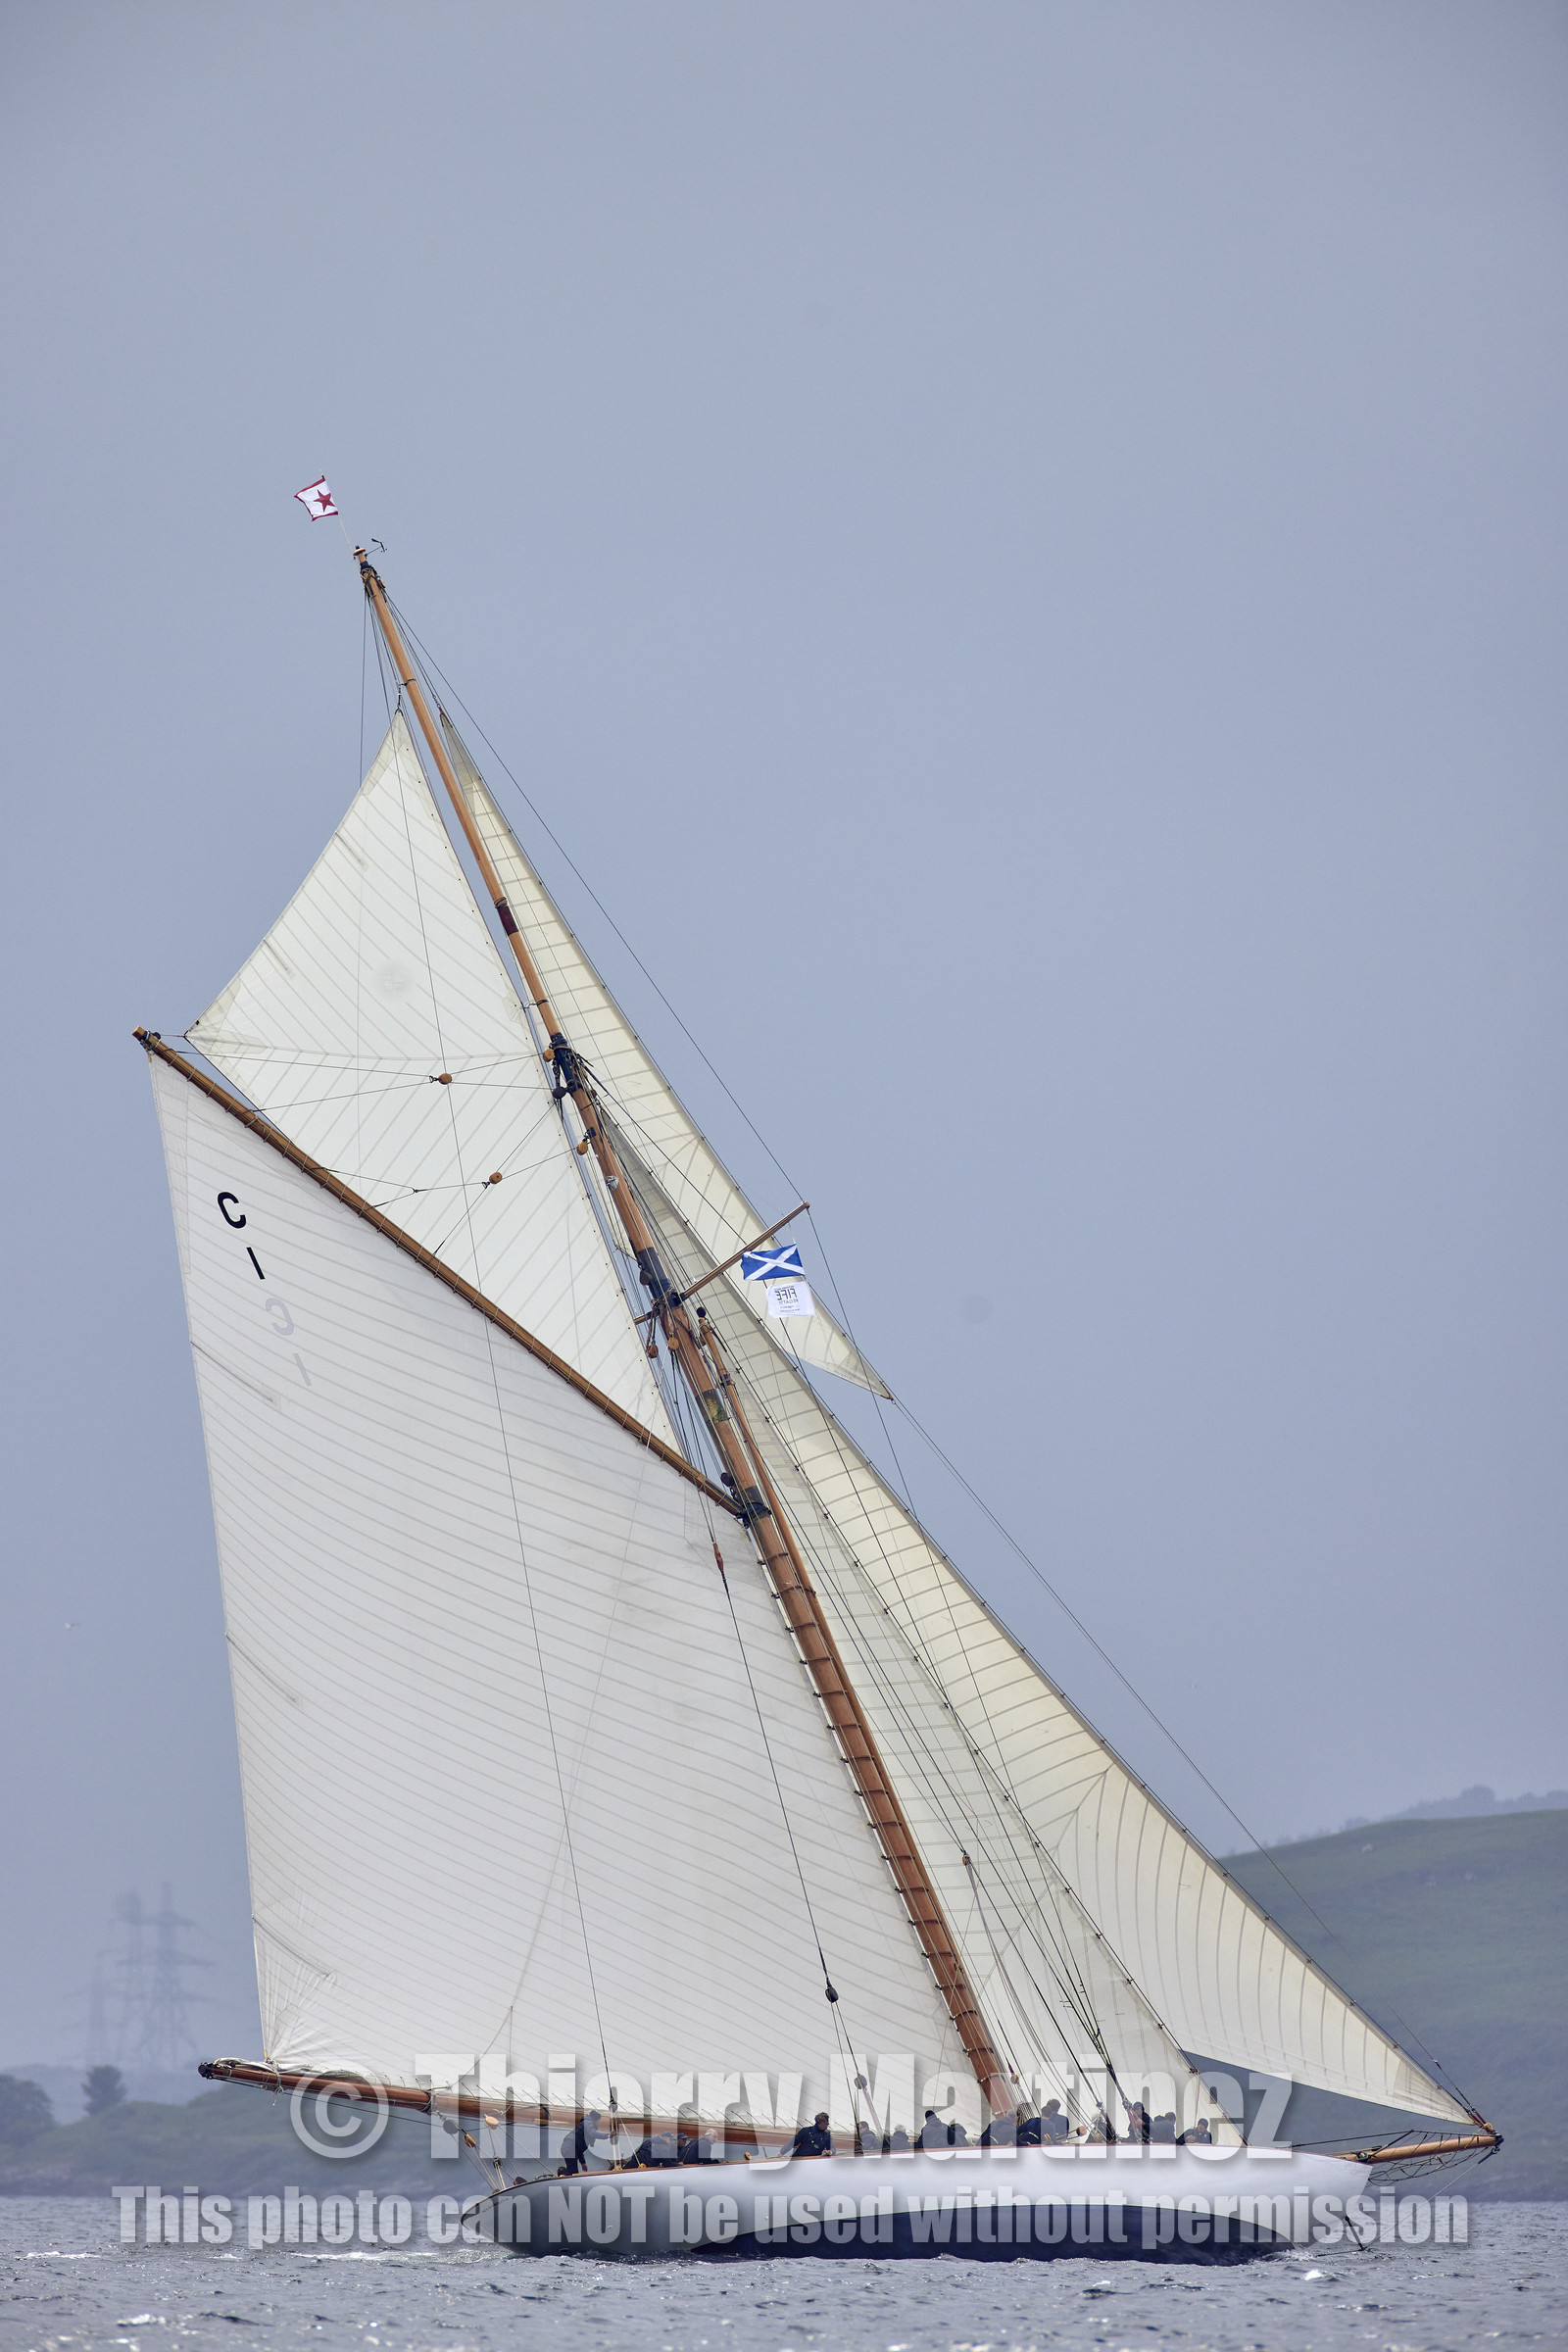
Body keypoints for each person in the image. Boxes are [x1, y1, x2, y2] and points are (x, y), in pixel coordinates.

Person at [561, 2108, 602, 2175]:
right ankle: (561, 2172)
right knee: (573, 2172)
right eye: (598, 2121)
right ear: (595, 2120)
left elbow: (579, 2149)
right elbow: (593, 2134)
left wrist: (583, 2163)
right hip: (570, 2147)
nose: (598, 2123)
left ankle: (563, 2173)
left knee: (573, 2171)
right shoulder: (588, 2124)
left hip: (569, 2146)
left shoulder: (586, 2127)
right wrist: (608, 2136)